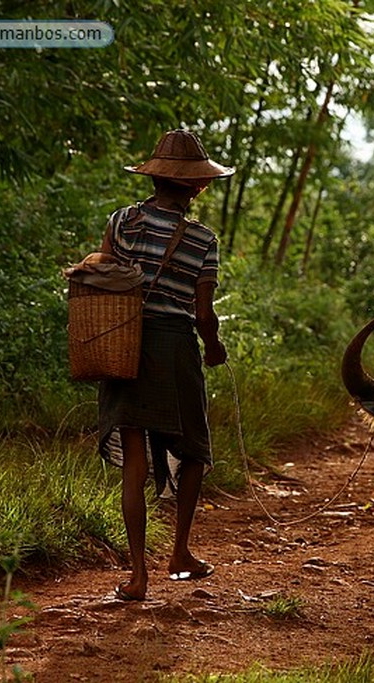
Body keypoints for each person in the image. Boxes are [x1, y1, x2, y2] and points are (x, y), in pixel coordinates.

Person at [98, 129, 233, 601]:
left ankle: (137, 576)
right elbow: (202, 313)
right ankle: (179, 552)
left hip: (125, 345)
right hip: (175, 348)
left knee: (134, 462)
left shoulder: (120, 221)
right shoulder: (202, 239)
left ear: (154, 178)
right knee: (194, 450)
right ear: (198, 186)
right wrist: (213, 346)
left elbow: (103, 276)